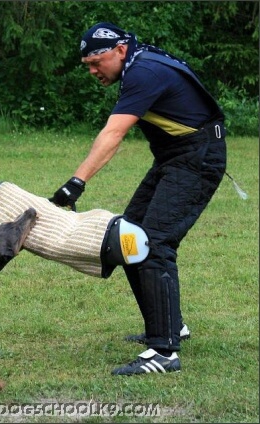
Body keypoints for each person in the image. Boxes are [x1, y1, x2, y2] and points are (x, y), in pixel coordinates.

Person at [49, 22, 226, 375]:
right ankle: (170, 324)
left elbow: (114, 132)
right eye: (87, 65)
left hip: (197, 157)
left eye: (96, 62)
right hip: (176, 157)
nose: (93, 71)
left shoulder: (143, 72)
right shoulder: (139, 64)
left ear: (119, 50)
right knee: (128, 237)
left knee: (153, 243)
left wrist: (76, 182)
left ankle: (164, 351)